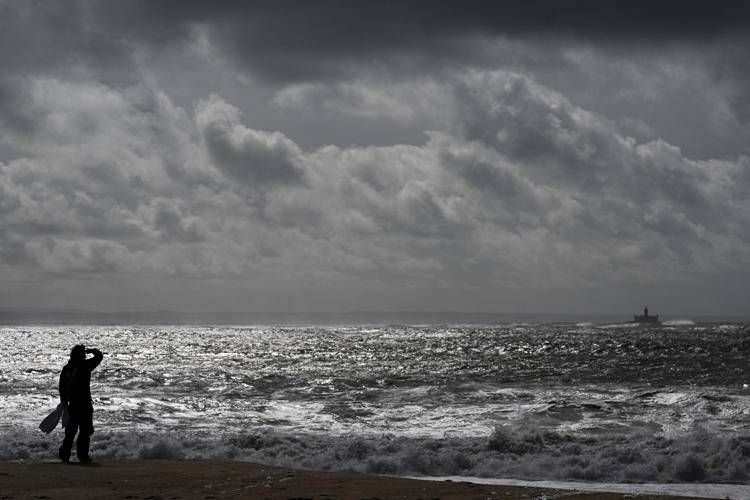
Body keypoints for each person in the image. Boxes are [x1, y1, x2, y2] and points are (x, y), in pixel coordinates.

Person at [58, 344, 103, 463]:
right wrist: (92, 350)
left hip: (72, 405)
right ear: (82, 355)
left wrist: (64, 404)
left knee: (70, 432)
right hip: (85, 404)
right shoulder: (85, 365)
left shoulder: (67, 368)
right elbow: (99, 356)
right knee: (85, 432)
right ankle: (82, 456)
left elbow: (62, 388)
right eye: (83, 353)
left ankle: (65, 455)